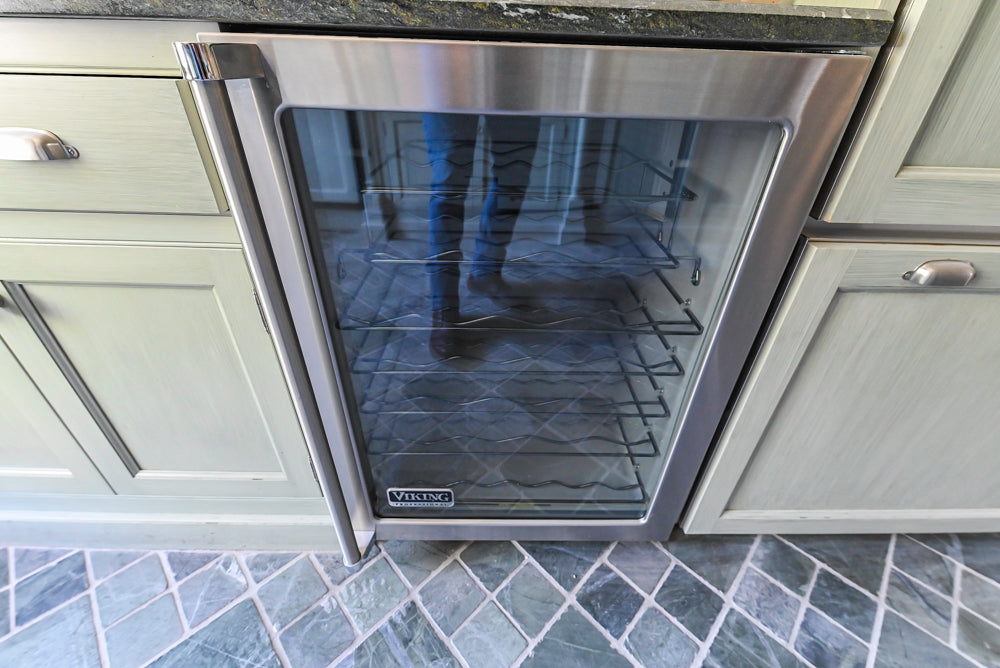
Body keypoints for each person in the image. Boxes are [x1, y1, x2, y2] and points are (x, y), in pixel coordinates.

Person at [422, 113, 541, 357]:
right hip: (448, 78)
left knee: (514, 177)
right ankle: (444, 307)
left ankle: (486, 274)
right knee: (448, 181)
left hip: (521, 79)